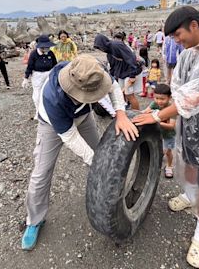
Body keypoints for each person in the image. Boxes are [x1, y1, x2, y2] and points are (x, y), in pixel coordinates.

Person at [133, 6, 199, 268]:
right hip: (191, 126)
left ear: (194, 25)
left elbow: (196, 95)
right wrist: (155, 108)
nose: (175, 41)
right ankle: (190, 197)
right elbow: (177, 90)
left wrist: (158, 117)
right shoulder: (188, 54)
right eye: (171, 37)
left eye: (177, 34)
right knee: (191, 166)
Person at [21, 54, 139, 250]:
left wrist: (120, 113)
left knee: (104, 157)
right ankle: (34, 220)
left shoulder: (92, 71)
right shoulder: (54, 98)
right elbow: (69, 137)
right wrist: (94, 160)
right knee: (41, 174)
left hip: (83, 118)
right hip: (51, 125)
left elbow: (113, 87)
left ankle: (111, 203)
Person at [94, 34, 143, 110]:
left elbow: (131, 57)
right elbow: (113, 68)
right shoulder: (109, 54)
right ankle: (124, 111)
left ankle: (137, 115)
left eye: (100, 47)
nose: (100, 49)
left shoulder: (116, 45)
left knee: (129, 95)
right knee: (120, 94)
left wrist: (132, 75)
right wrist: (111, 79)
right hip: (122, 73)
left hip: (131, 70)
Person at [142, 83, 176, 178]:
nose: (159, 101)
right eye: (156, 98)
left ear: (169, 97)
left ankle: (169, 166)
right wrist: (146, 114)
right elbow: (145, 111)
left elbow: (171, 126)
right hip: (157, 133)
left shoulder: (172, 109)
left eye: (162, 99)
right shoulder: (154, 104)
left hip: (168, 134)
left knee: (167, 152)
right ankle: (156, 164)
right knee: (157, 149)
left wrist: (157, 120)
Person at [22, 35, 57, 117]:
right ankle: (38, 112)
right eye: (45, 47)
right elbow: (29, 66)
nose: (47, 48)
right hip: (37, 75)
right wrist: (26, 78)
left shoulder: (50, 53)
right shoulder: (34, 54)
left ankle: (49, 111)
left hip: (49, 73)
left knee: (50, 93)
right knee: (37, 95)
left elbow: (55, 65)